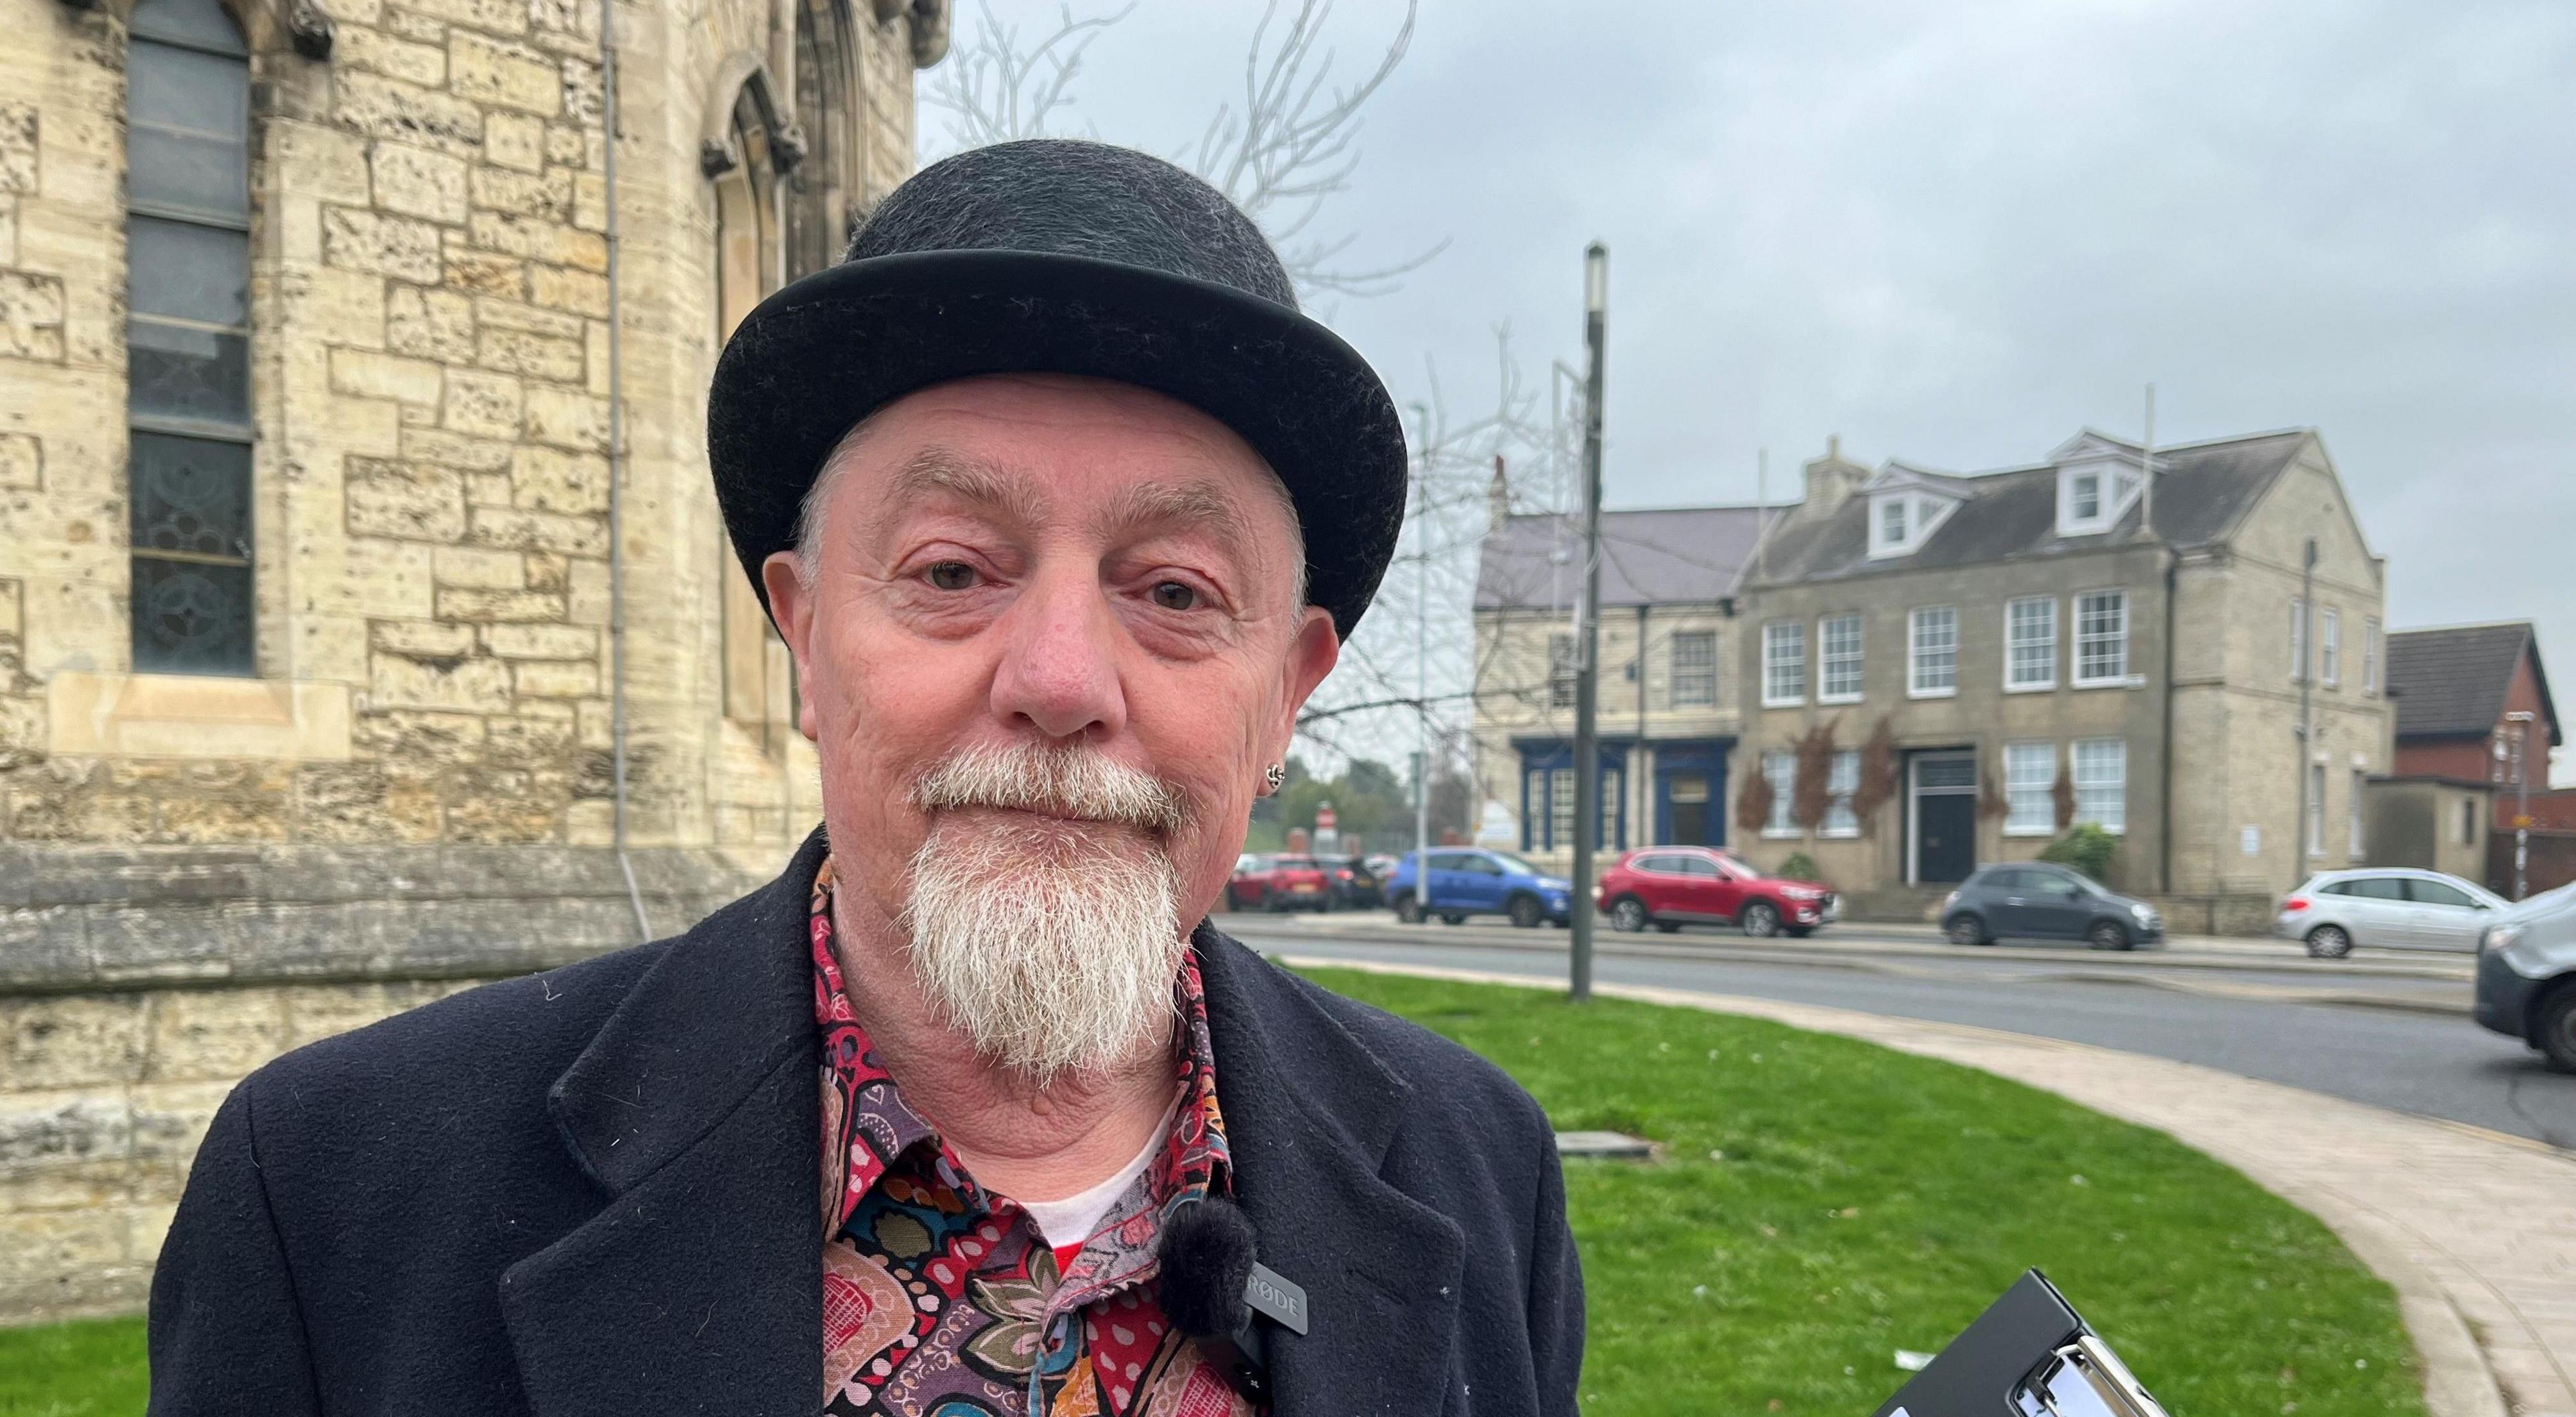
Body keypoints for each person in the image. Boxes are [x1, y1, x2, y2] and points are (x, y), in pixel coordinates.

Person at [146, 140, 1582, 1417]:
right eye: (953, 570)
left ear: (1287, 695)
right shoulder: (337, 1194)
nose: (1065, 681)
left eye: (1176, 591)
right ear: (809, 637)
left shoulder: (1478, 1173)